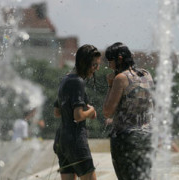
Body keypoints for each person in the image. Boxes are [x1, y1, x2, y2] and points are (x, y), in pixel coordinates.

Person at [103, 42, 154, 180]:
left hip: (126, 139)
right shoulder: (146, 74)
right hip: (147, 137)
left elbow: (107, 111)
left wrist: (110, 85)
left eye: (110, 61)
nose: (109, 66)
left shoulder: (121, 78)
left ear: (119, 59)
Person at [53, 44, 101, 180]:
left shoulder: (65, 79)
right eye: (94, 65)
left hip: (61, 141)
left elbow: (57, 112)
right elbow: (78, 116)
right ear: (83, 62)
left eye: (97, 65)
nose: (96, 69)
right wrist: (91, 111)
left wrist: (81, 107)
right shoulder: (78, 82)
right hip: (75, 142)